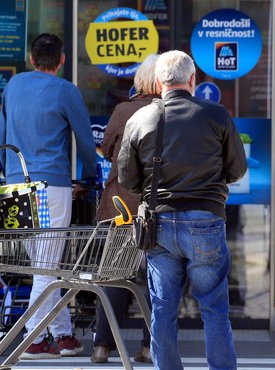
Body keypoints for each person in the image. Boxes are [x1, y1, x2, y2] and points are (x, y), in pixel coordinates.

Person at [117, 50, 248, 370]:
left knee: (162, 310)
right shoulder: (216, 115)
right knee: (214, 308)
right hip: (205, 220)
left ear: (159, 82)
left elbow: (128, 180)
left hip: (158, 225)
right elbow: (238, 170)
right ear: (192, 80)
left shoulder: (140, 119)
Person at [0, 33, 97, 360]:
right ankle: (34, 341)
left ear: (31, 58)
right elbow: (84, 140)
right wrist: (91, 176)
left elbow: (0, 136)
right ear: (63, 60)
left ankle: (63, 336)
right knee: (46, 266)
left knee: (45, 266)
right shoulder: (66, 90)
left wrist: (2, 174)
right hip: (50, 186)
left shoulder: (12, 87)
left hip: (15, 187)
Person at [90, 53, 160, 364]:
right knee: (158, 280)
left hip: (120, 205)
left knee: (114, 277)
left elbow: (106, 150)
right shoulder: (171, 111)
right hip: (159, 207)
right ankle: (149, 347)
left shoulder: (123, 110)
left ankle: (102, 346)